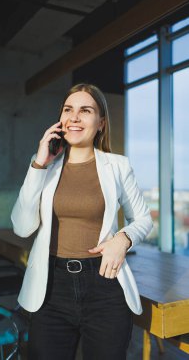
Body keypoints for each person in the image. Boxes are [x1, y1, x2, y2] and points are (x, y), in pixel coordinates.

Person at [11, 83, 153, 360]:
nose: (74, 117)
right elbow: (22, 226)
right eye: (68, 109)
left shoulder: (118, 165)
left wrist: (123, 239)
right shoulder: (42, 165)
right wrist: (39, 165)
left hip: (105, 286)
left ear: (100, 123)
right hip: (51, 288)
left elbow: (143, 218)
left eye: (85, 110)